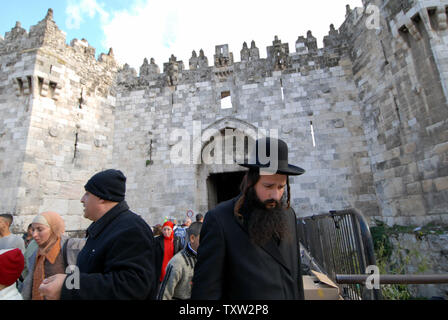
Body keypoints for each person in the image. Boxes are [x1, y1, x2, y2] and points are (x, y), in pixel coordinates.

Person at [191, 137, 306, 300]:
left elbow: (295, 279)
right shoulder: (220, 220)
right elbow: (205, 293)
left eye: (281, 187)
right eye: (268, 186)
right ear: (251, 181)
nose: (275, 195)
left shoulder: (288, 215)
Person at [38, 169, 157, 300]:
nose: (82, 200)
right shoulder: (106, 227)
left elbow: (132, 286)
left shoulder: (132, 229)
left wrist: (68, 286)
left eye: (87, 194)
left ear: (101, 197)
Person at [20, 211, 85, 300]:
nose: (34, 234)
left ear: (54, 229)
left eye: (40, 229)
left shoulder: (73, 248)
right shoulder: (36, 253)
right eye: (33, 229)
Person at [157, 222, 202, 300]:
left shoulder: (210, 258)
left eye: (168, 229)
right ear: (192, 238)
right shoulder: (178, 262)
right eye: (165, 229)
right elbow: (164, 295)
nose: (166, 232)